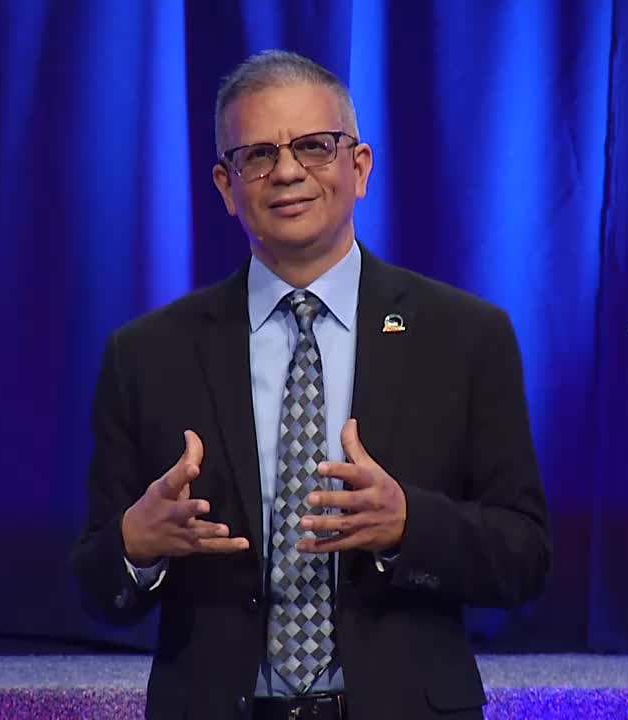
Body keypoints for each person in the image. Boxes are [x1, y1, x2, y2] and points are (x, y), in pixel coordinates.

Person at [71, 49, 550, 720]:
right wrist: (135, 545)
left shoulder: (466, 337)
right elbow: (97, 586)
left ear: (360, 167)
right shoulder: (147, 354)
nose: (288, 171)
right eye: (258, 155)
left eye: (315, 147)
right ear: (225, 185)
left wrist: (408, 525)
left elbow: (525, 557)